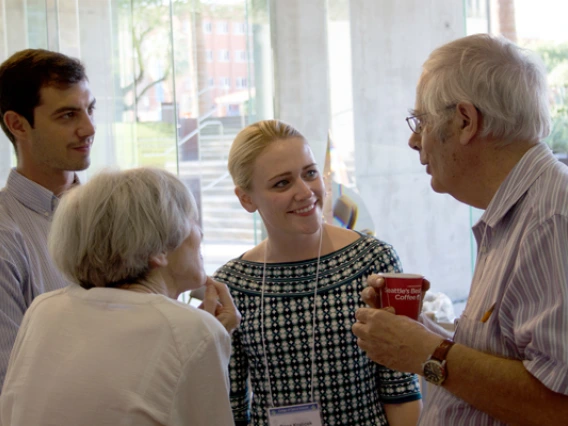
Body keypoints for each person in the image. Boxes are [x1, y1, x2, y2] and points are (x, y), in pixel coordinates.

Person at [352, 33, 568, 425]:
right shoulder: (520, 213)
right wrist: (419, 333)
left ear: (466, 121)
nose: (413, 140)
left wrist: (428, 353)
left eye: (422, 121)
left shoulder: (551, 219)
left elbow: (558, 405)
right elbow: (509, 359)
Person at [213, 119, 422, 426]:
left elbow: (400, 388)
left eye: (310, 173)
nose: (305, 192)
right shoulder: (233, 284)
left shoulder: (373, 260)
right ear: (246, 198)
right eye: (282, 183)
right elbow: (229, 404)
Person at [0, 167, 241, 425]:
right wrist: (212, 336)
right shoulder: (193, 330)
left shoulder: (44, 309)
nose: (200, 233)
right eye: (192, 220)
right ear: (158, 249)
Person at [0, 48, 96, 391]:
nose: (88, 128)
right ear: (17, 124)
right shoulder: (4, 237)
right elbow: (11, 385)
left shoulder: (117, 215)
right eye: (68, 115)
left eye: (89, 109)